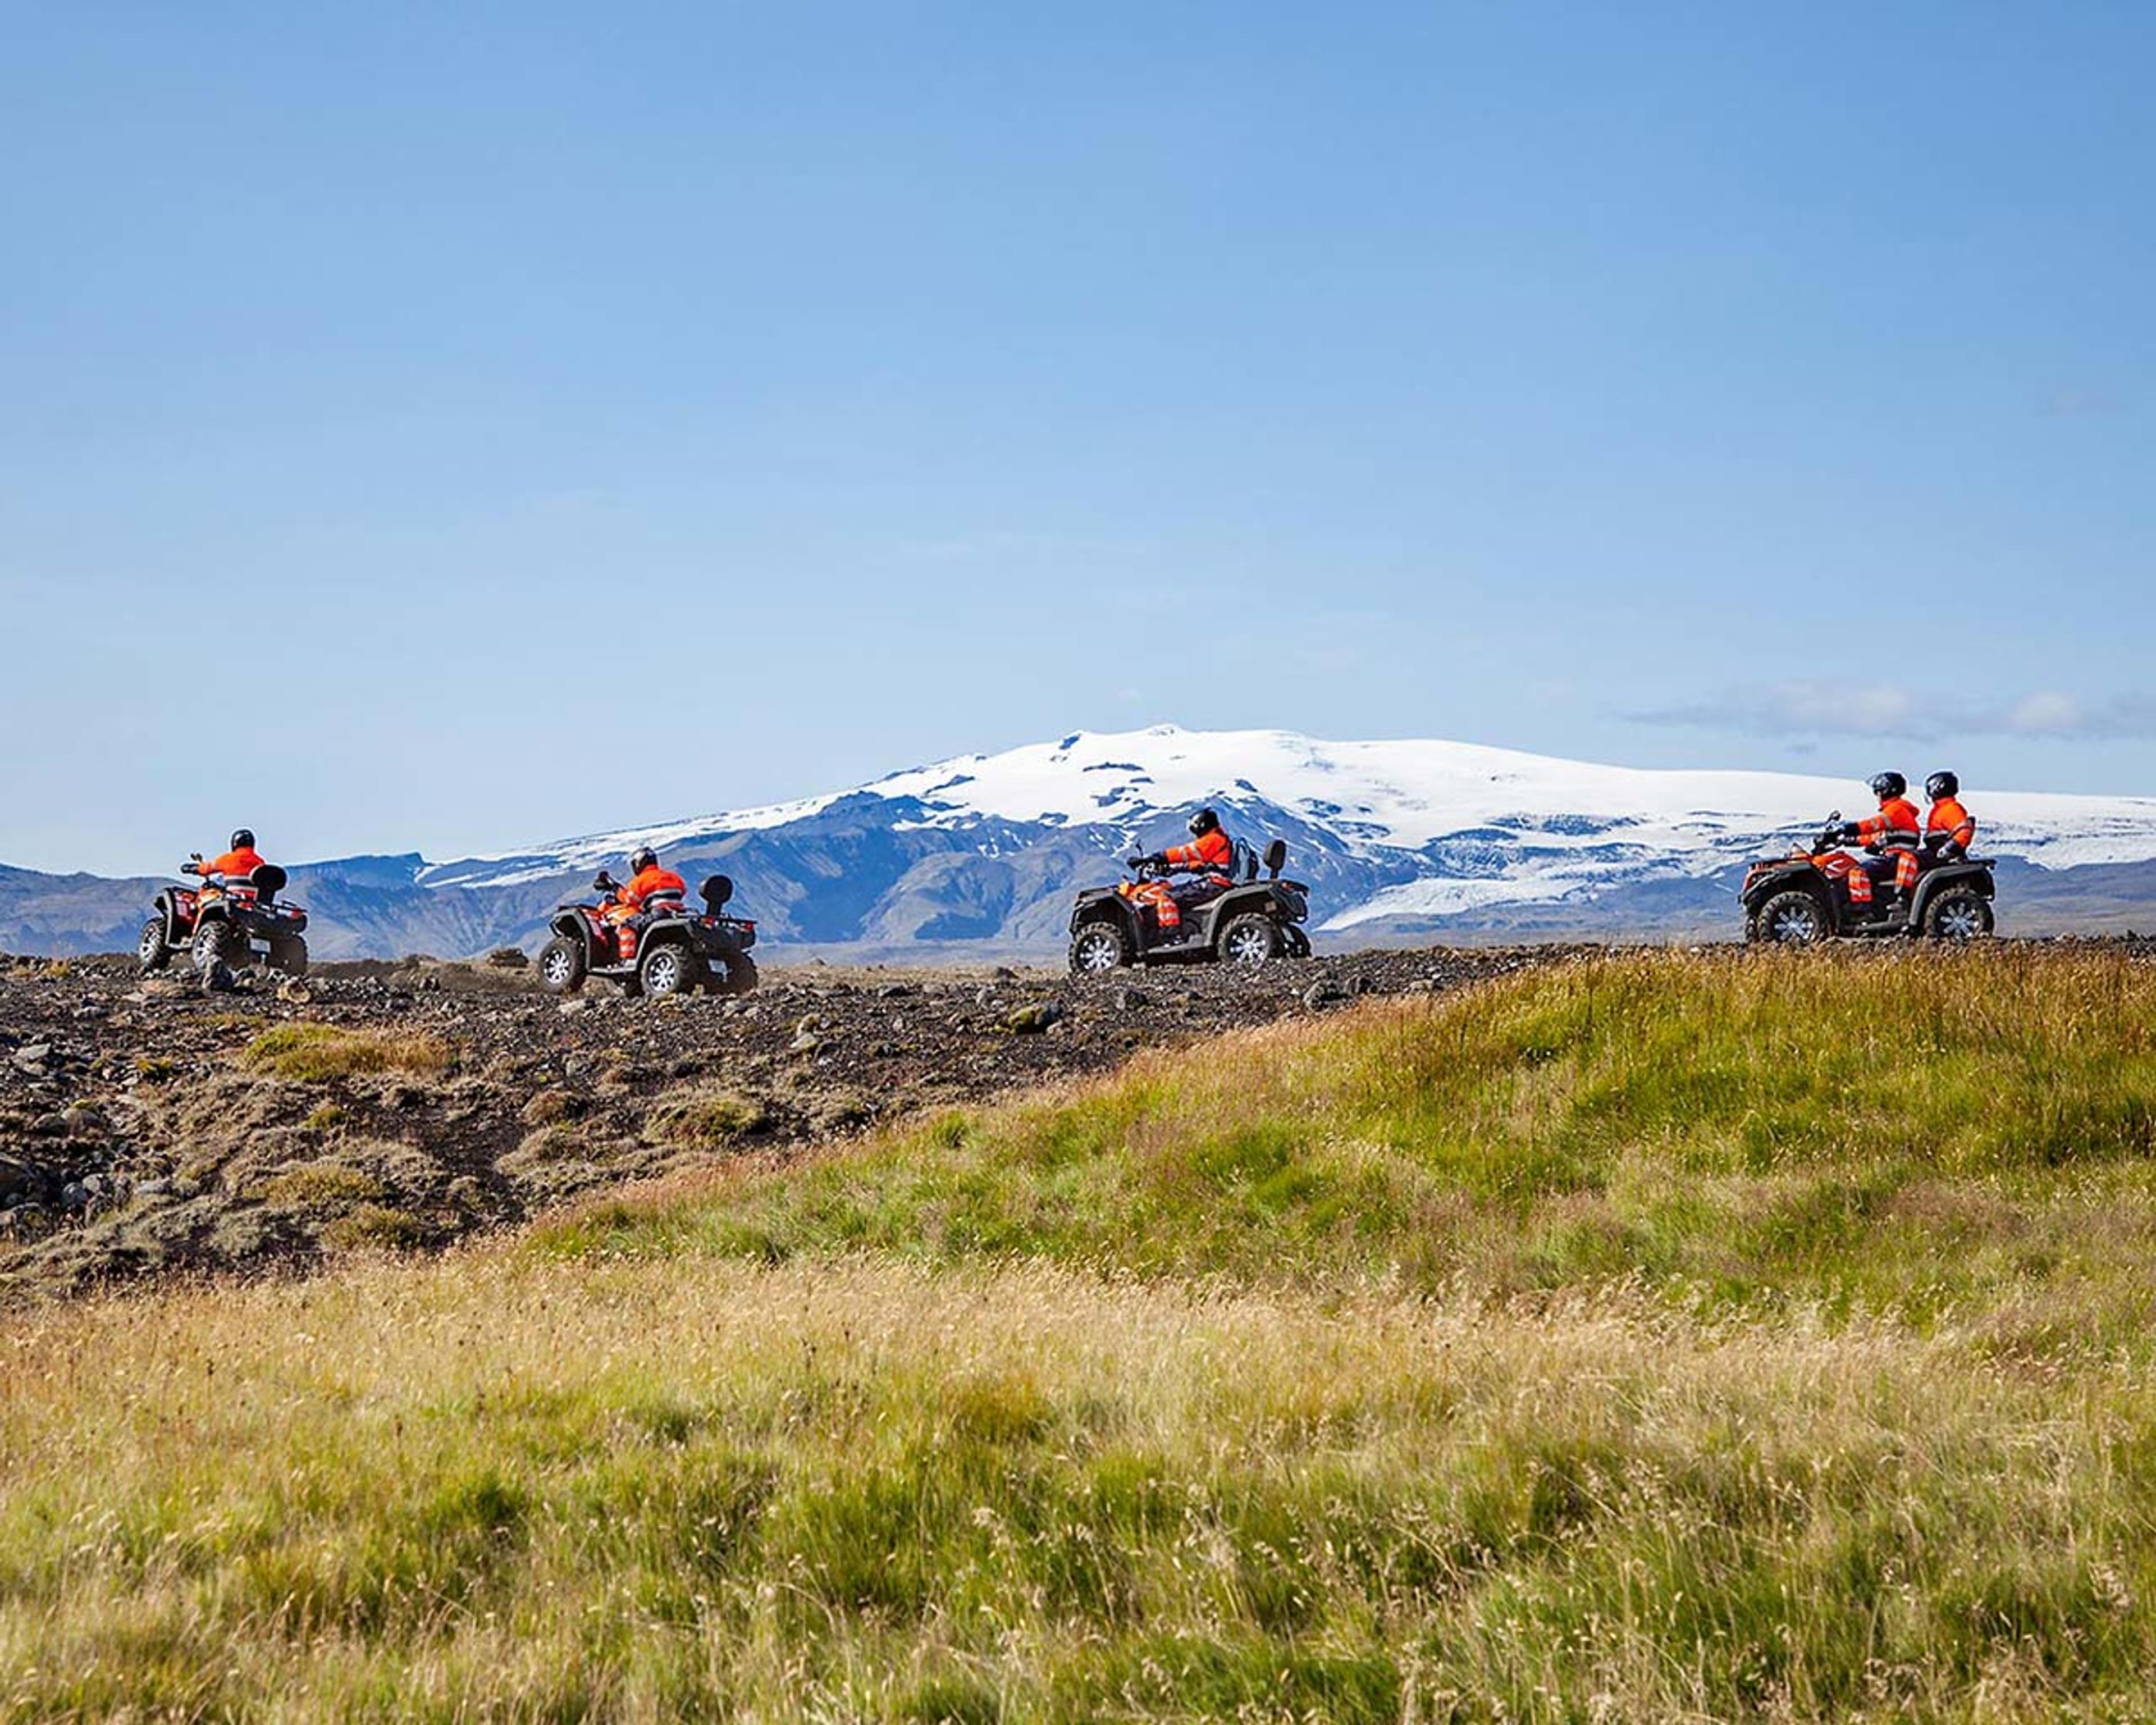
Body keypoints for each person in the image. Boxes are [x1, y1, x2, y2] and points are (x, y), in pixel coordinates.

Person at [1127, 808, 1235, 939]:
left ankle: (1171, 936)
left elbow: (1186, 852)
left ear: (1202, 824)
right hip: (1214, 882)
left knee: (1167, 896)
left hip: (1214, 884)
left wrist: (1157, 857)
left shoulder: (1214, 839)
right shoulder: (1219, 839)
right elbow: (1199, 864)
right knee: (1176, 892)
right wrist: (1173, 869)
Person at [1830, 772, 1921, 914]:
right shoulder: (1897, 811)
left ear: (1886, 791)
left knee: (1858, 872)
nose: (1877, 796)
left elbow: (1873, 825)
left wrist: (1847, 829)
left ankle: (1863, 912)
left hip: (1896, 858)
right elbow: (1875, 837)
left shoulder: (1896, 810)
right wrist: (1846, 841)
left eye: (1878, 792)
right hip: (1894, 857)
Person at [597, 846, 687, 962]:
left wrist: (616, 890)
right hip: (678, 913)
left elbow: (630, 899)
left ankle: (627, 960)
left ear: (640, 863)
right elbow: (683, 891)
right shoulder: (673, 876)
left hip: (657, 914)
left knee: (628, 925)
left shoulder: (642, 879)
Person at [1923, 770, 1978, 862]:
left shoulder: (1951, 809)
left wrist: (1948, 849)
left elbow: (1964, 832)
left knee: (1907, 859)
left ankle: (1904, 877)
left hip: (1941, 855)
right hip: (1935, 852)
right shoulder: (1940, 809)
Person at [185, 828, 267, 884]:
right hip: (255, 904)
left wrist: (192, 869)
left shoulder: (228, 859)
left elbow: (206, 869)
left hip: (234, 902)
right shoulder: (260, 862)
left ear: (234, 843)